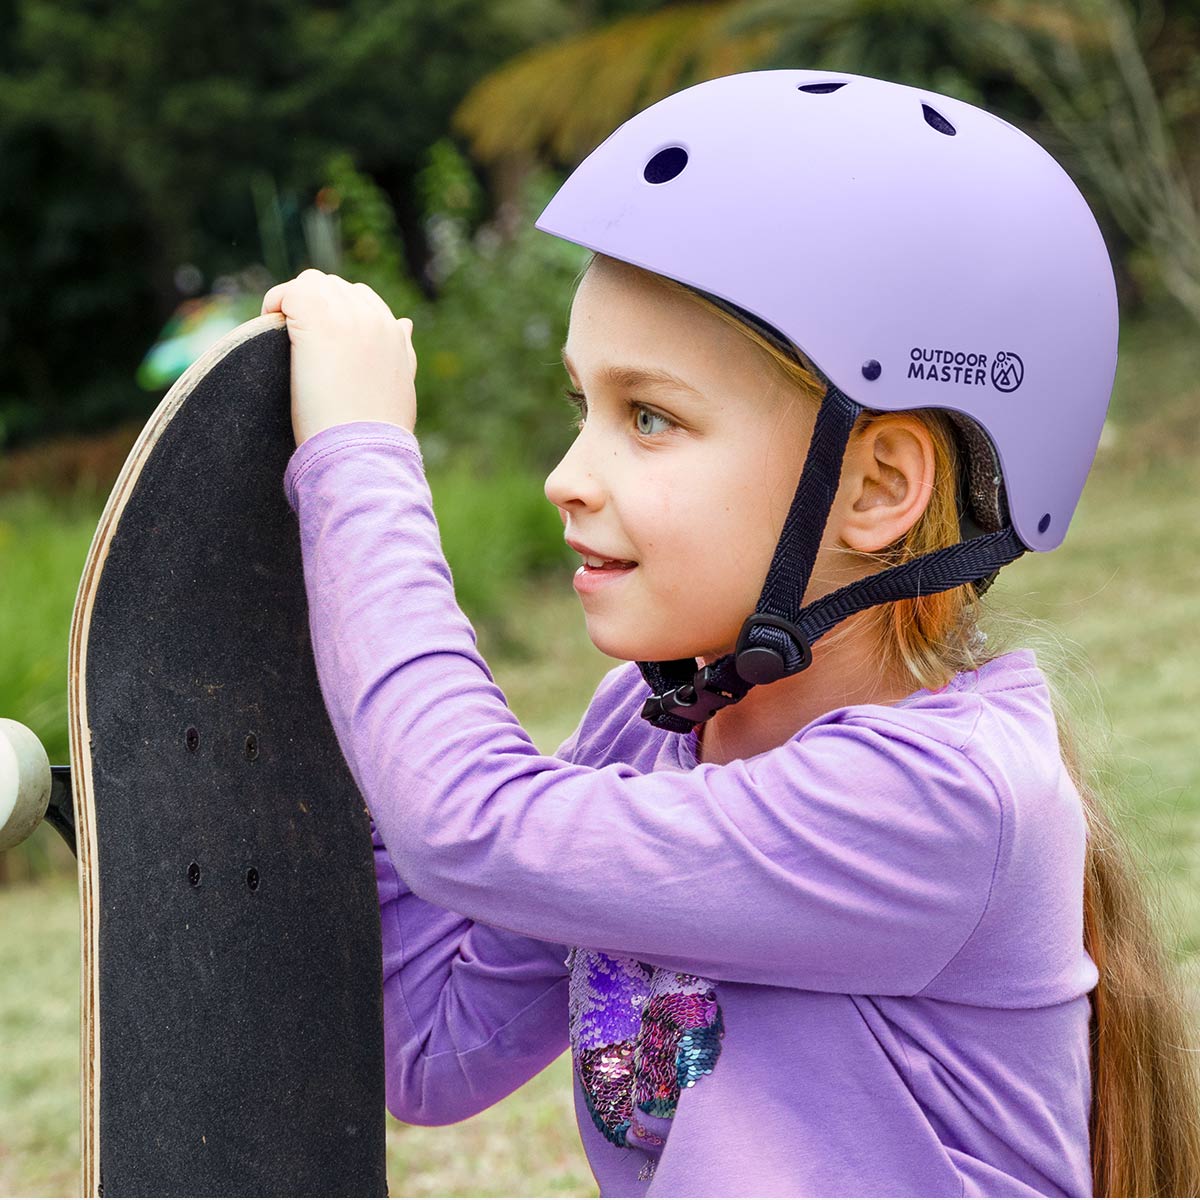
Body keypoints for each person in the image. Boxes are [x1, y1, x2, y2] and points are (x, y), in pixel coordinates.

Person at [262, 70, 1200, 1198]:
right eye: (583, 406)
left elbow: (469, 825)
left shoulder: (941, 800)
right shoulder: (652, 729)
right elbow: (434, 1043)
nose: (568, 478)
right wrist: (308, 708)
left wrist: (360, 467)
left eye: (649, 417)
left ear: (875, 487)